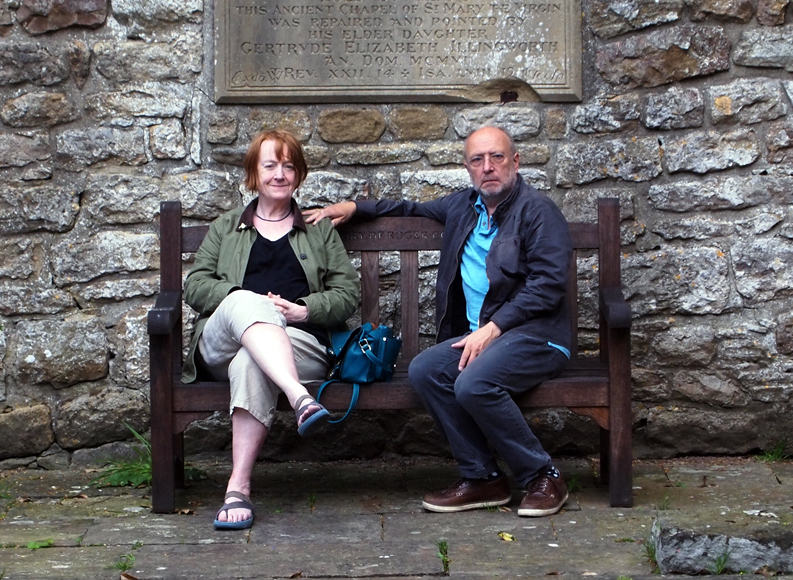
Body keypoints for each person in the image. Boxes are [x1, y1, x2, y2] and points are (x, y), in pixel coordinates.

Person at [304, 126, 572, 517]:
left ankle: (543, 475)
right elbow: (409, 208)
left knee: (474, 383)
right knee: (426, 369)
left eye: (497, 157)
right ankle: (483, 477)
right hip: (483, 339)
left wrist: (493, 329)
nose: (488, 167)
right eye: (478, 160)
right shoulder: (462, 207)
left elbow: (549, 287)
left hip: (537, 336)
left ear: (515, 162)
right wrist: (355, 208)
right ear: (467, 168)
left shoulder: (538, 212)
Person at [182, 129, 359, 530]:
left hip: (298, 343)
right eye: (270, 165)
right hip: (223, 341)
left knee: (252, 361)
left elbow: (346, 294)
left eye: (289, 166)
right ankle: (300, 398)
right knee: (248, 304)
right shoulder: (227, 227)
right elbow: (195, 285)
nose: (280, 174)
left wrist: (301, 311)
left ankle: (237, 488)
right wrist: (245, 300)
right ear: (253, 173)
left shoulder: (319, 229)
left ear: (299, 174)